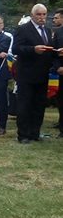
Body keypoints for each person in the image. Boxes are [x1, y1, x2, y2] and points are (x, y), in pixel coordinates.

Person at [12, 3, 54, 144]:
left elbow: (49, 49)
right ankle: (23, 135)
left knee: (39, 105)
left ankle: (35, 133)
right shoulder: (23, 29)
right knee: (25, 105)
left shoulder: (47, 30)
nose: (42, 17)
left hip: (43, 74)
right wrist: (33, 49)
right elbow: (16, 49)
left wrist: (56, 52)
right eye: (38, 14)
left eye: (44, 14)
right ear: (32, 15)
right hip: (26, 74)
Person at [52, 8, 63, 138]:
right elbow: (54, 53)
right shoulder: (58, 32)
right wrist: (58, 66)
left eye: (57, 17)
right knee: (61, 101)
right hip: (61, 71)